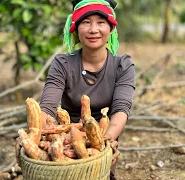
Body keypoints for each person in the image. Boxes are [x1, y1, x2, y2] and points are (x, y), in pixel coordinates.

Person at [39, 0, 135, 179]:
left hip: (103, 139)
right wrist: (38, 134)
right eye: (85, 22)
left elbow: (122, 109)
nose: (93, 30)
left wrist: (106, 140)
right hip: (65, 139)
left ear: (111, 28)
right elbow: (47, 107)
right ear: (75, 28)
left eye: (101, 22)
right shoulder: (63, 64)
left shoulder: (123, 65)